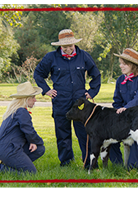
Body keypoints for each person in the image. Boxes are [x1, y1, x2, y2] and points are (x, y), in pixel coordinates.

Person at [34, 29, 101, 167]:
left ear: (74, 43)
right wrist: (46, 90)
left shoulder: (84, 56)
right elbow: (38, 74)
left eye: (71, 46)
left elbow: (96, 75)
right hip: (60, 102)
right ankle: (66, 162)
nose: (69, 49)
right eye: (65, 47)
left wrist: (92, 92)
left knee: (84, 133)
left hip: (80, 103)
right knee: (62, 134)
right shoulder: (51, 57)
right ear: (60, 46)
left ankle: (88, 162)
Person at [0, 81, 45, 178]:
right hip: (9, 149)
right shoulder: (21, 111)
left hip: (5, 147)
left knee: (39, 148)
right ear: (26, 99)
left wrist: (33, 142)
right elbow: (29, 130)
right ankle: (0, 168)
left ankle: (10, 163)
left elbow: (26, 131)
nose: (35, 100)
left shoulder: (16, 110)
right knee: (31, 173)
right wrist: (36, 141)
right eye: (33, 97)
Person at [110, 48, 138, 170]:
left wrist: (125, 109)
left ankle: (133, 168)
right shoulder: (120, 80)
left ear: (132, 65)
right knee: (109, 132)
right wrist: (119, 111)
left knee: (136, 134)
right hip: (126, 115)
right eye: (120, 63)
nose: (121, 66)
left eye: (124, 64)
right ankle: (117, 166)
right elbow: (117, 101)